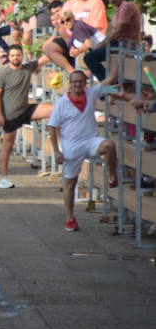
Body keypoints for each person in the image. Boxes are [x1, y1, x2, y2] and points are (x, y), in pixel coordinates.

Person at [47, 68, 119, 232]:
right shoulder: (62, 103)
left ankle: (112, 174)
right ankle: (70, 218)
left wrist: (119, 89)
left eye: (81, 81)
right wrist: (56, 151)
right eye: (75, 81)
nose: (78, 84)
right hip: (71, 146)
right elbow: (52, 127)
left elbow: (108, 83)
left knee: (109, 145)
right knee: (70, 183)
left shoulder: (91, 93)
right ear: (70, 84)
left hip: (90, 140)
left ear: (86, 83)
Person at [0, 44, 53, 189]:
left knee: (54, 110)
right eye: (13, 55)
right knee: (7, 146)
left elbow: (47, 57)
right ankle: (3, 178)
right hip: (11, 115)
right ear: (8, 57)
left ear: (22, 55)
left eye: (18, 55)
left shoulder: (27, 68)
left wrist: (53, 41)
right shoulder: (3, 73)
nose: (15, 58)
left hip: (26, 109)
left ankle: (60, 143)